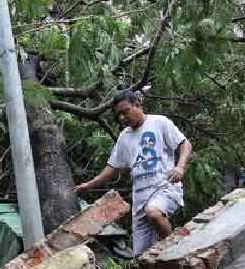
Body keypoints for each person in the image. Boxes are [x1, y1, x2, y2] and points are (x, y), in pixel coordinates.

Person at [74, 90, 192, 257]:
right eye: (118, 115)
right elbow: (112, 168)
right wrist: (88, 185)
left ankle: (176, 254)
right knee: (141, 259)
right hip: (140, 199)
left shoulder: (159, 122)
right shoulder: (124, 137)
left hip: (165, 187)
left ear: (137, 105)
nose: (122, 118)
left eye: (125, 111)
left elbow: (184, 143)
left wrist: (180, 167)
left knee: (154, 212)